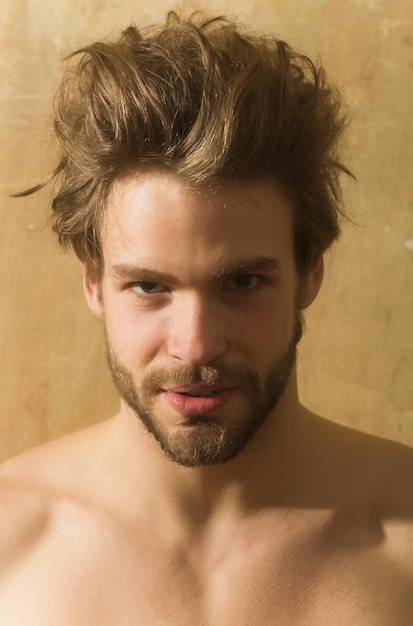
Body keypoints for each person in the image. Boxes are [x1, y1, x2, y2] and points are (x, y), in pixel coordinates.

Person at [1, 10, 412, 624]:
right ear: (93, 282)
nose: (195, 347)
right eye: (148, 286)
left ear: (311, 273)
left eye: (243, 283)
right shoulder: (11, 540)